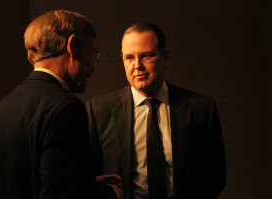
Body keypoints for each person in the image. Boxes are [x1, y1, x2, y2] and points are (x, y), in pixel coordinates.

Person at [0, 10, 123, 199]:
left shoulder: (1, 108)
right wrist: (111, 193)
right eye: (91, 53)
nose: (93, 67)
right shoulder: (66, 108)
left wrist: (85, 182)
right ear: (72, 46)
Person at [86, 22, 226, 199]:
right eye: (129, 58)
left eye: (146, 56)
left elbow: (215, 175)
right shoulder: (99, 110)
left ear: (165, 57)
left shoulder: (201, 108)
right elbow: (89, 177)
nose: (137, 65)